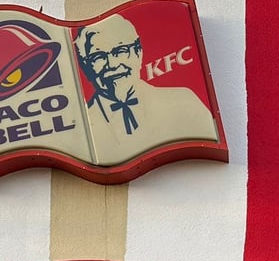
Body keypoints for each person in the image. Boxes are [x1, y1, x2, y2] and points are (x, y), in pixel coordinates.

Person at [73, 13, 218, 164]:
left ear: (138, 53)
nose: (112, 64)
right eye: (98, 57)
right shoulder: (80, 128)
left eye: (120, 51)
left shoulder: (183, 101)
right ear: (85, 67)